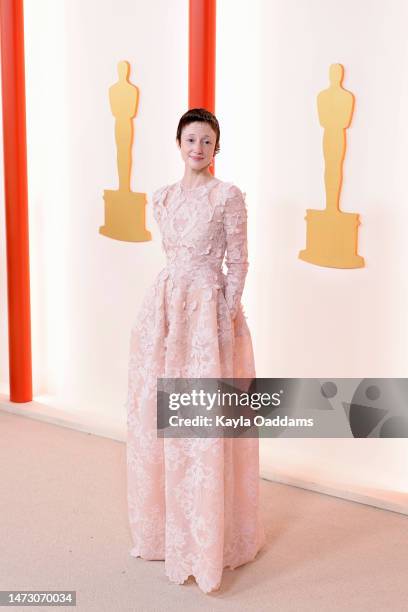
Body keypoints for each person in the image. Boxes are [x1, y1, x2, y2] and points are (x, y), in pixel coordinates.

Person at [125, 108, 266, 594]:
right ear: (178, 142)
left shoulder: (228, 197)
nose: (198, 148)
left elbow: (239, 261)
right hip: (166, 311)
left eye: (208, 141)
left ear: (216, 148)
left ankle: (210, 537)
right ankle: (168, 529)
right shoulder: (161, 198)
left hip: (208, 317)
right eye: (191, 139)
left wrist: (225, 317)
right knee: (163, 416)